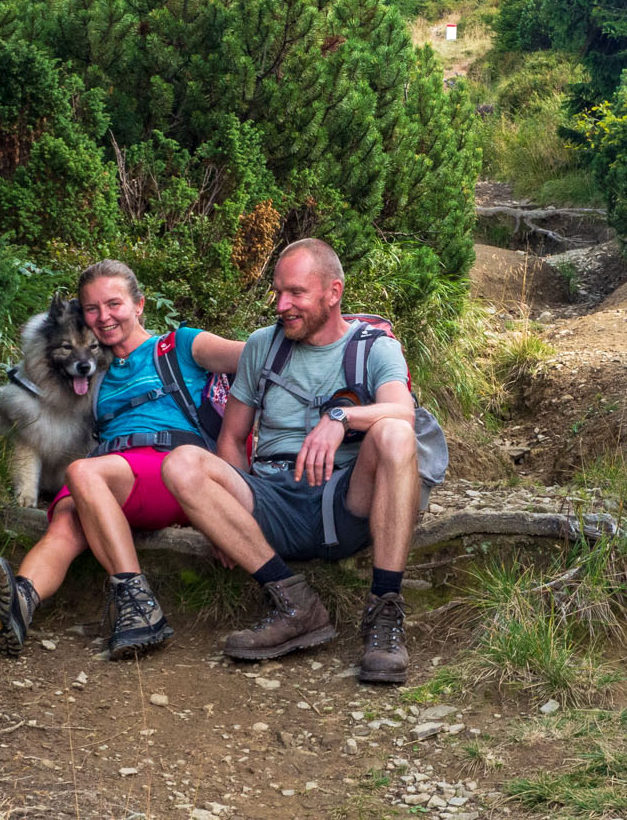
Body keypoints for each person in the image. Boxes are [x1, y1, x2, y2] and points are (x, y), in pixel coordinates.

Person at [161, 238, 439, 684]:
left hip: (345, 503)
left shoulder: (375, 348)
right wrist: (225, 518)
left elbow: (401, 411)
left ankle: (384, 612)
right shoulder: (261, 347)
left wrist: (340, 418)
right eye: (278, 292)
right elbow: (232, 437)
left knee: (394, 432)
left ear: (334, 292)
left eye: (296, 293)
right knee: (181, 464)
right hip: (273, 498)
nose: (281, 305)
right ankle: (295, 604)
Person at [0, 259, 244, 660]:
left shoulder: (180, 345)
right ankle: (15, 609)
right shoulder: (96, 374)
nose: (103, 317)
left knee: (82, 473)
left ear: (139, 305)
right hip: (110, 480)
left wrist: (228, 508)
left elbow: (256, 356)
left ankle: (139, 607)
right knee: (65, 521)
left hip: (173, 469)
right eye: (93, 308)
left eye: (113, 304)